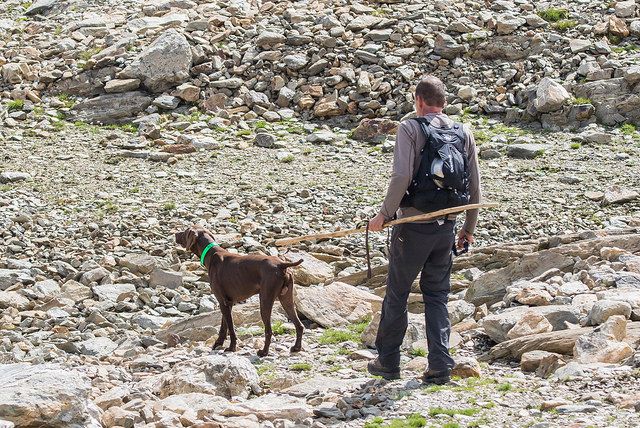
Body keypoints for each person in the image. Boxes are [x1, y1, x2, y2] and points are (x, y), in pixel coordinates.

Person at [367, 75, 482, 384]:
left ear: (418, 101)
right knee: (437, 295)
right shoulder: (463, 132)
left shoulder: (410, 128)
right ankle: (440, 365)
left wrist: (383, 214)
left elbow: (401, 176)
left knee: (397, 292)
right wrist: (468, 229)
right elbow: (474, 186)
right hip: (447, 225)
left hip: (412, 227)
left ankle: (388, 361)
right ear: (443, 103)